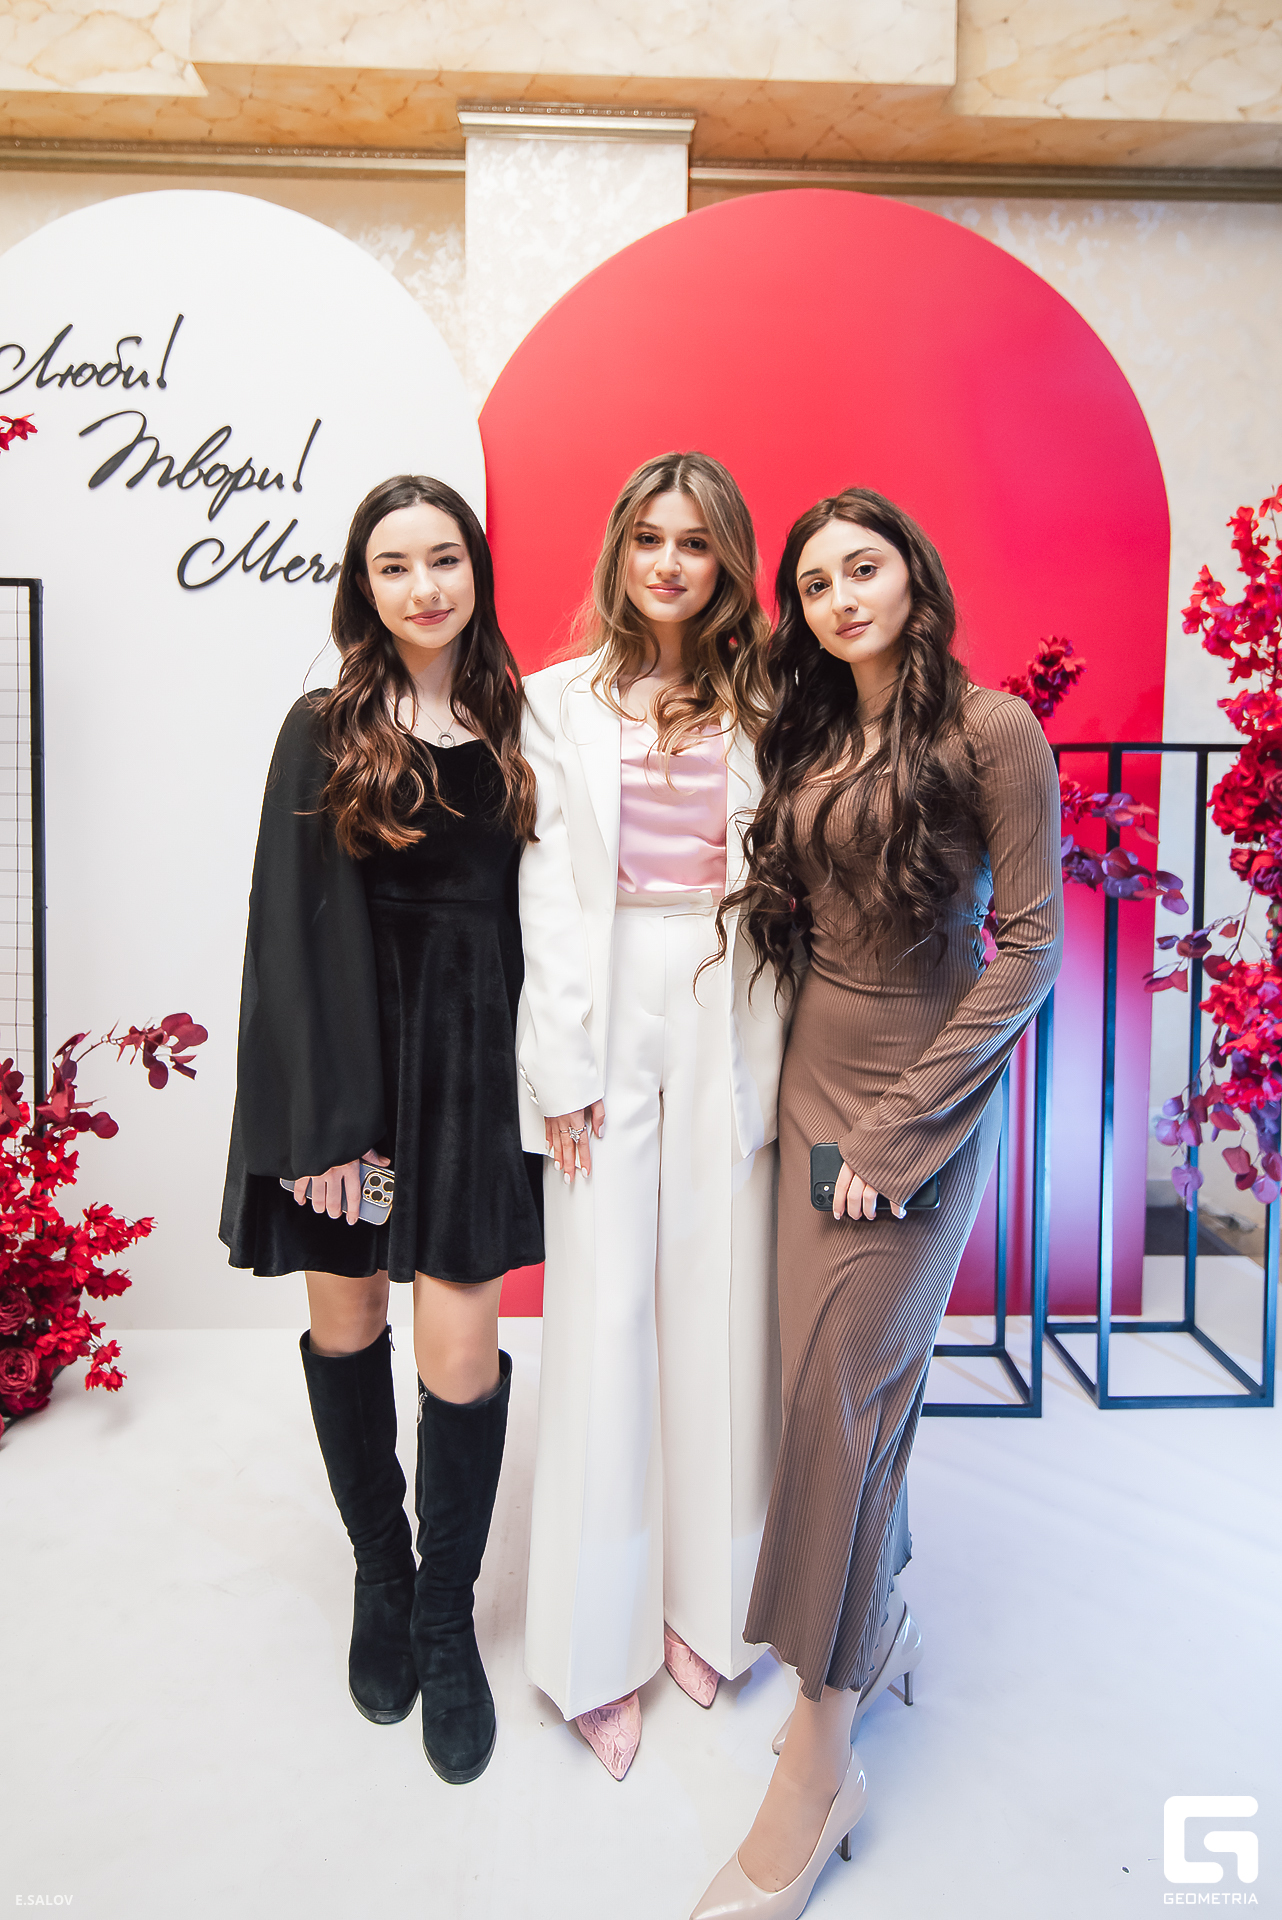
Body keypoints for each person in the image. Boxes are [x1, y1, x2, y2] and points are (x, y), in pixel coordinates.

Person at [690, 487, 1062, 1917]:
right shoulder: (809, 733)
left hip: (918, 1100)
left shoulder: (990, 730)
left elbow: (1027, 949)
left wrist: (901, 1126)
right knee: (823, 1394)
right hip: (807, 1088)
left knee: (839, 1412)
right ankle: (880, 1620)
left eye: (864, 567)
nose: (841, 596)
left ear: (914, 575)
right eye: (815, 581)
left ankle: (820, 1756)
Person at [220, 473, 543, 1787]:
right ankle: (380, 1572)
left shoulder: (520, 722)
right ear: (364, 585)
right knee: (348, 1324)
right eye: (394, 564)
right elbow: (287, 935)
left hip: (469, 1070)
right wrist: (327, 1129)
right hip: (347, 1077)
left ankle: (445, 1619)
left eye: (445, 558)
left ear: (475, 570)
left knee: (461, 1356)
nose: (424, 586)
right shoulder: (324, 727)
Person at [518, 451, 788, 1779]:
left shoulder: (771, 704)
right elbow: (543, 893)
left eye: (695, 542)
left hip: (729, 999)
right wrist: (559, 1069)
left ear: (726, 561)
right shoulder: (554, 700)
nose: (669, 564)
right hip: (605, 993)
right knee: (604, 1304)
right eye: (649, 540)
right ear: (619, 551)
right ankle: (591, 1647)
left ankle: (711, 1610)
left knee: (720, 1305)